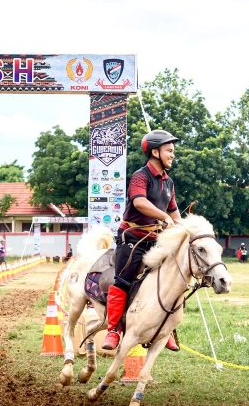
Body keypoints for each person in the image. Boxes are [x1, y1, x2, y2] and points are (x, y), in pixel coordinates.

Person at [101, 130, 181, 352]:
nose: (173, 155)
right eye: (169, 150)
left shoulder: (169, 182)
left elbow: (175, 214)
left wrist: (187, 231)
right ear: (155, 152)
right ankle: (114, 329)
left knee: (170, 281)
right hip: (132, 237)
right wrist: (163, 216)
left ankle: (166, 332)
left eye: (173, 151)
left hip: (156, 240)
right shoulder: (140, 176)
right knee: (124, 280)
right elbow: (139, 203)